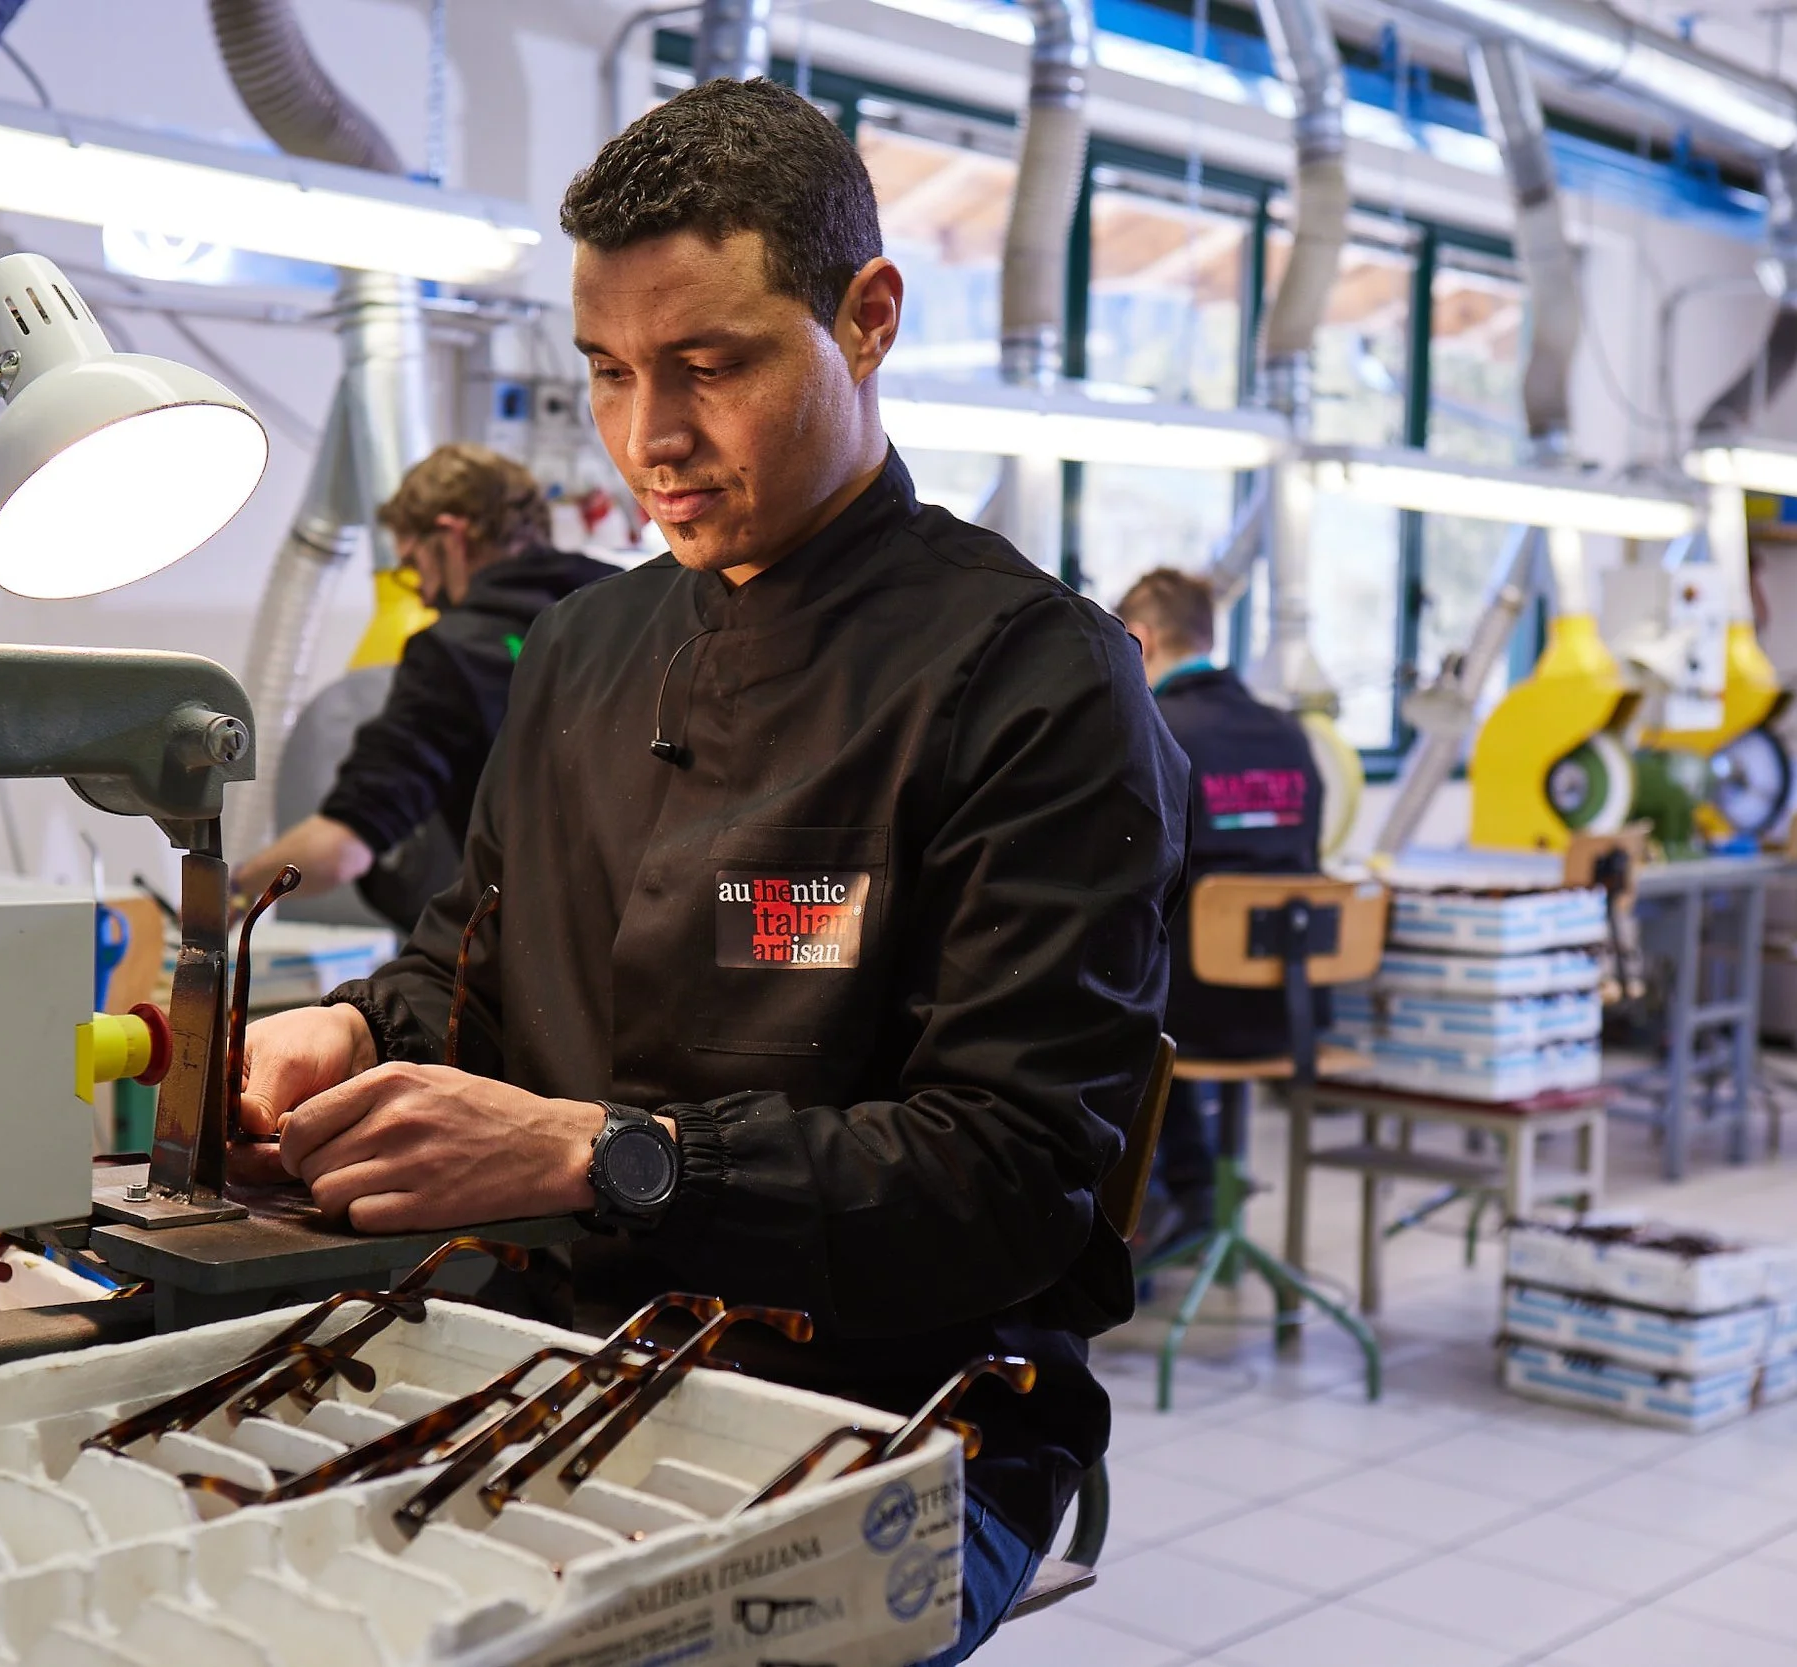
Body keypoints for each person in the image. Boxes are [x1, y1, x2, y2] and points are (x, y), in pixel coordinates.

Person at [236, 78, 1188, 1665]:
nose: (647, 438)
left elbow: (1010, 1177)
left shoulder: (1037, 683)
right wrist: (359, 1029)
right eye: (608, 372)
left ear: (867, 316)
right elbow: (472, 956)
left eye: (711, 366)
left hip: (897, 1411)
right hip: (552, 1350)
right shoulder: (584, 649)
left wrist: (603, 1154)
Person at [233, 445, 614, 906]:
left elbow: (340, 850)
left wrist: (235, 889)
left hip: (544, 941)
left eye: (414, 567)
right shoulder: (630, 603)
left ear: (452, 537)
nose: (425, 596)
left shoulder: (451, 652)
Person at [1116, 568, 1324, 1252]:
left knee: (1094, 993)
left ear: (1138, 640)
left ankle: (1157, 1205)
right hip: (1290, 1006)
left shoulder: (1154, 729)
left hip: (1188, 1016)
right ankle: (1194, 1192)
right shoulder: (1289, 733)